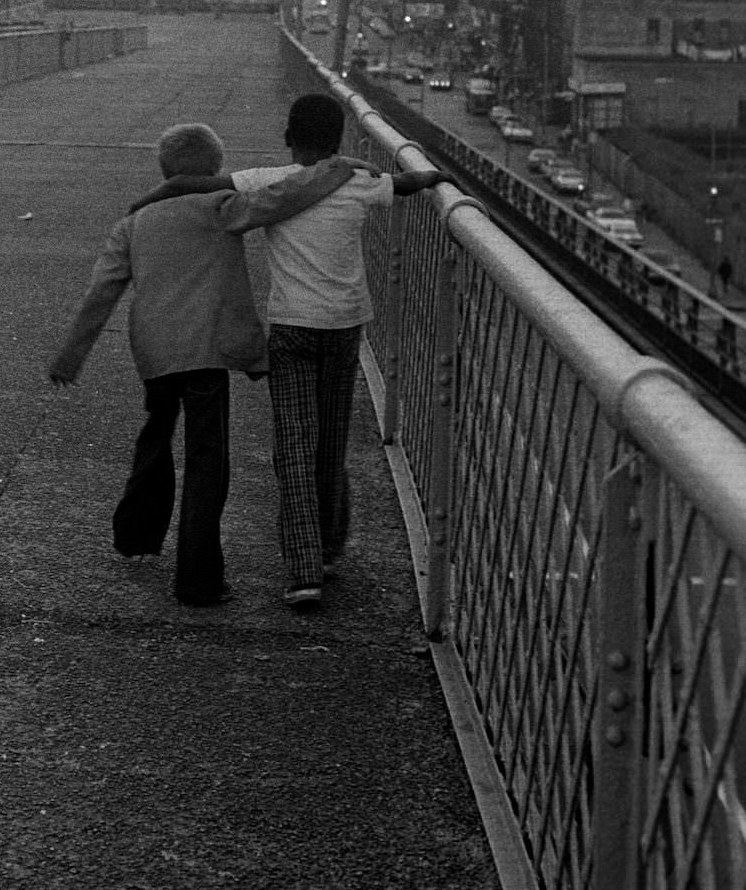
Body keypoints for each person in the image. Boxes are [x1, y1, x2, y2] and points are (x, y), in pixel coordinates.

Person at [133, 93, 454, 608]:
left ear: (289, 137)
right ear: (340, 139)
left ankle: (304, 572)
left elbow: (195, 185)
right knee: (331, 442)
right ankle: (328, 547)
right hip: (346, 325)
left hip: (292, 327)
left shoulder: (267, 181)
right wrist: (439, 178)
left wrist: (149, 200)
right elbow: (410, 183)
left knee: (294, 449)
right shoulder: (359, 180)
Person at [47, 122, 358, 608]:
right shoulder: (220, 208)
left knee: (156, 432)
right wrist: (334, 168)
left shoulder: (132, 223)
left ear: (164, 170)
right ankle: (198, 579)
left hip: (155, 352)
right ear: (214, 170)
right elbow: (284, 196)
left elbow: (101, 292)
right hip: (207, 351)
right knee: (206, 461)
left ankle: (135, 533)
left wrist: (71, 355)